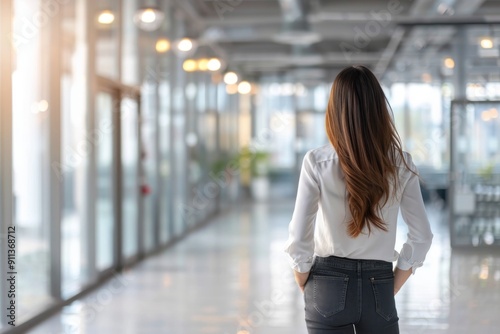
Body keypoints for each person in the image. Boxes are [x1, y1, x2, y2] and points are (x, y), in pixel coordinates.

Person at [284, 65, 433, 334]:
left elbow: (299, 233)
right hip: (380, 283)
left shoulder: (317, 162)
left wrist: (302, 275)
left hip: (326, 283)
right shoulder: (400, 163)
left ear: (334, 111)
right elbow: (422, 235)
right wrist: (393, 284)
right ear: (379, 111)